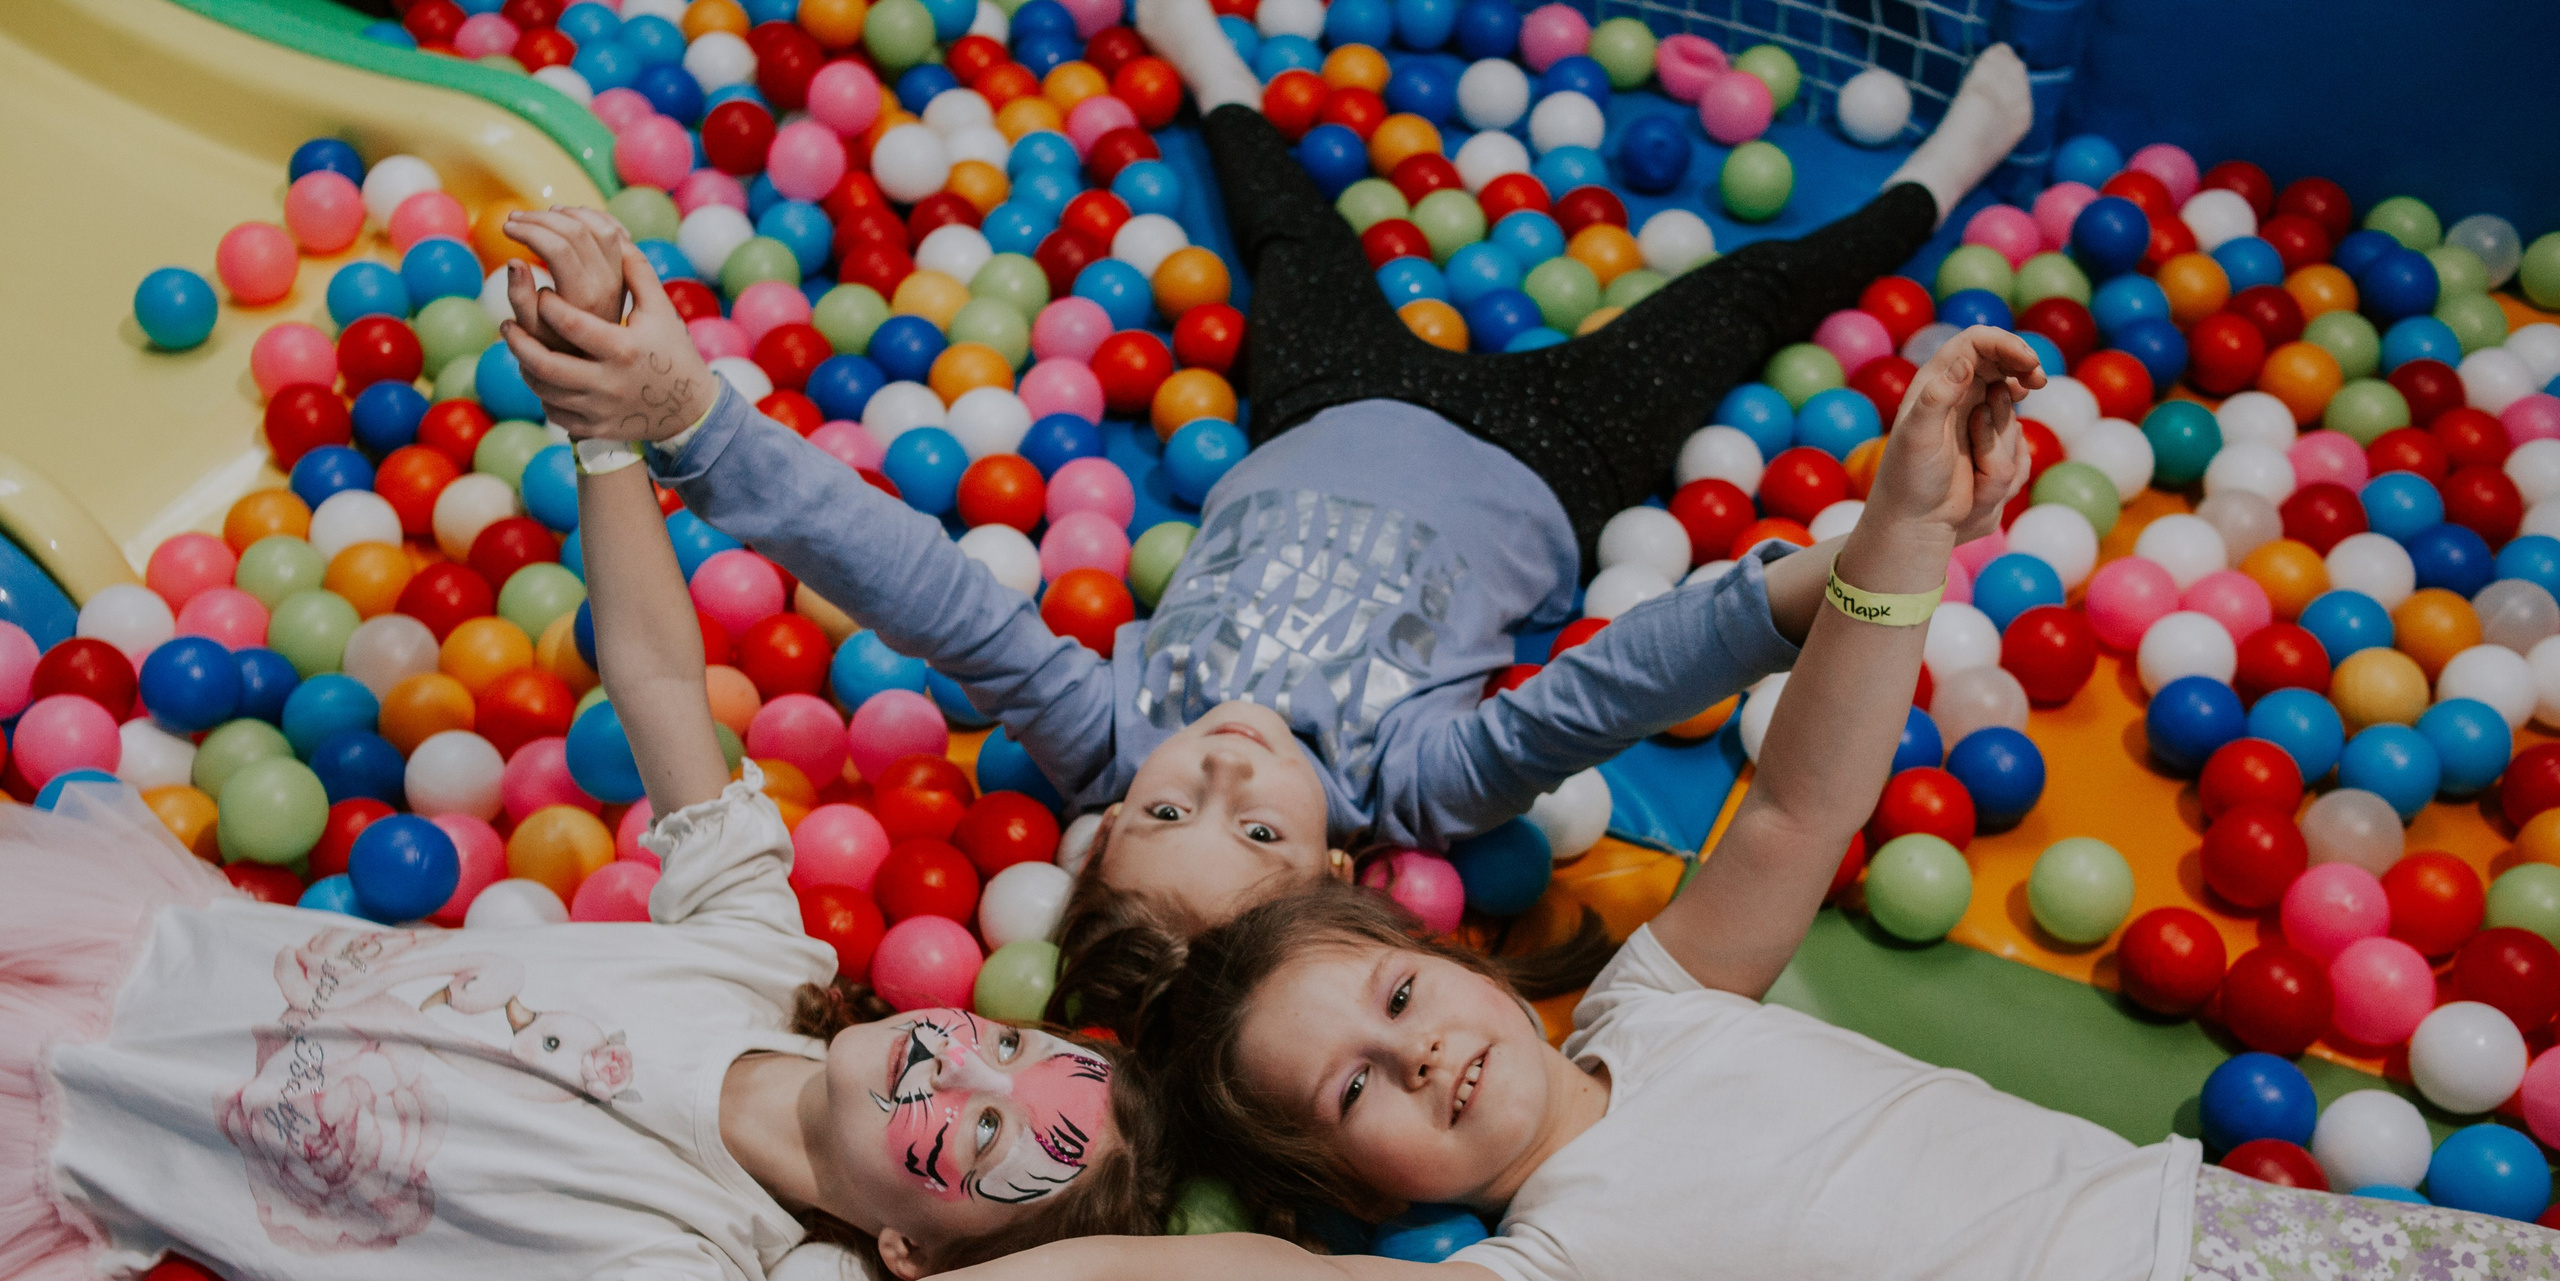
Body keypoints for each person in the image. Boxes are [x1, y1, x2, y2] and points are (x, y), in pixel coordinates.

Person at [828, 326, 2560, 1281]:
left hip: (2252, 1234)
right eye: (1357, 1089)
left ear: (1467, 965)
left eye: (1402, 993)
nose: (1416, 1048)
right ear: (1364, 1185)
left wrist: (1898, 530)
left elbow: (1799, 807)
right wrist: (1055, 1274)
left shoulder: (1659, 1001)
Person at [495, 11, 2035, 968]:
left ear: (1110, 818)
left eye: (1170, 809)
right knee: (1744, 295)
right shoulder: (1420, 777)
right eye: (1260, 833)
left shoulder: (1113, 725)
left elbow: (920, 584)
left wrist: (694, 417)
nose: (1221, 775)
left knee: (1291, 228)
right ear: (1345, 866)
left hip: (1325, 402)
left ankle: (1209, 58)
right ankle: (1948, 174)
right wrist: (1831, 567)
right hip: (1555, 452)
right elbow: (1622, 683)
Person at [0, 326, 1167, 1281]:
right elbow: (662, 681)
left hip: (84, 1138)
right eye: (1012, 1049)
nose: (959, 1073)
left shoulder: (693, 1248)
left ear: (910, 1255)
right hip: (128, 942)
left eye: (980, 1141)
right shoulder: (757, 952)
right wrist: (608, 441)